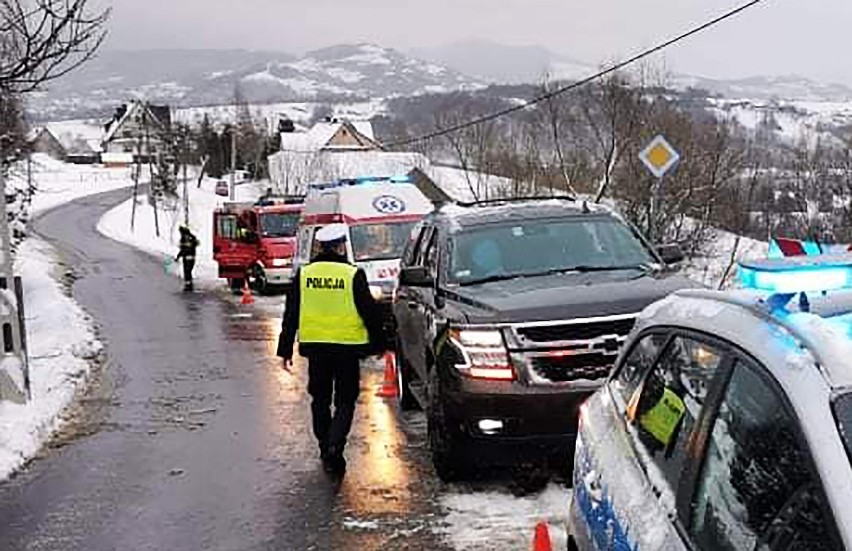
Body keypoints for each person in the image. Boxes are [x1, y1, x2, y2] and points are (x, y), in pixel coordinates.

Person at [277, 223, 385, 476]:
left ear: (320, 246)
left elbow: (291, 314)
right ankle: (336, 445)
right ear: (340, 246)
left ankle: (325, 446)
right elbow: (369, 312)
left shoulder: (304, 275)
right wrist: (380, 344)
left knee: (320, 399)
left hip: (316, 349)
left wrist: (285, 349)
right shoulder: (352, 274)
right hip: (347, 349)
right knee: (346, 400)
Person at [175, 225, 199, 291]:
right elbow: (195, 245)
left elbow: (183, 249)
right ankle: (189, 285)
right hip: (192, 257)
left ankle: (188, 286)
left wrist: (178, 257)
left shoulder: (184, 238)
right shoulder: (192, 237)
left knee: (187, 272)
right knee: (189, 271)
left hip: (186, 258)